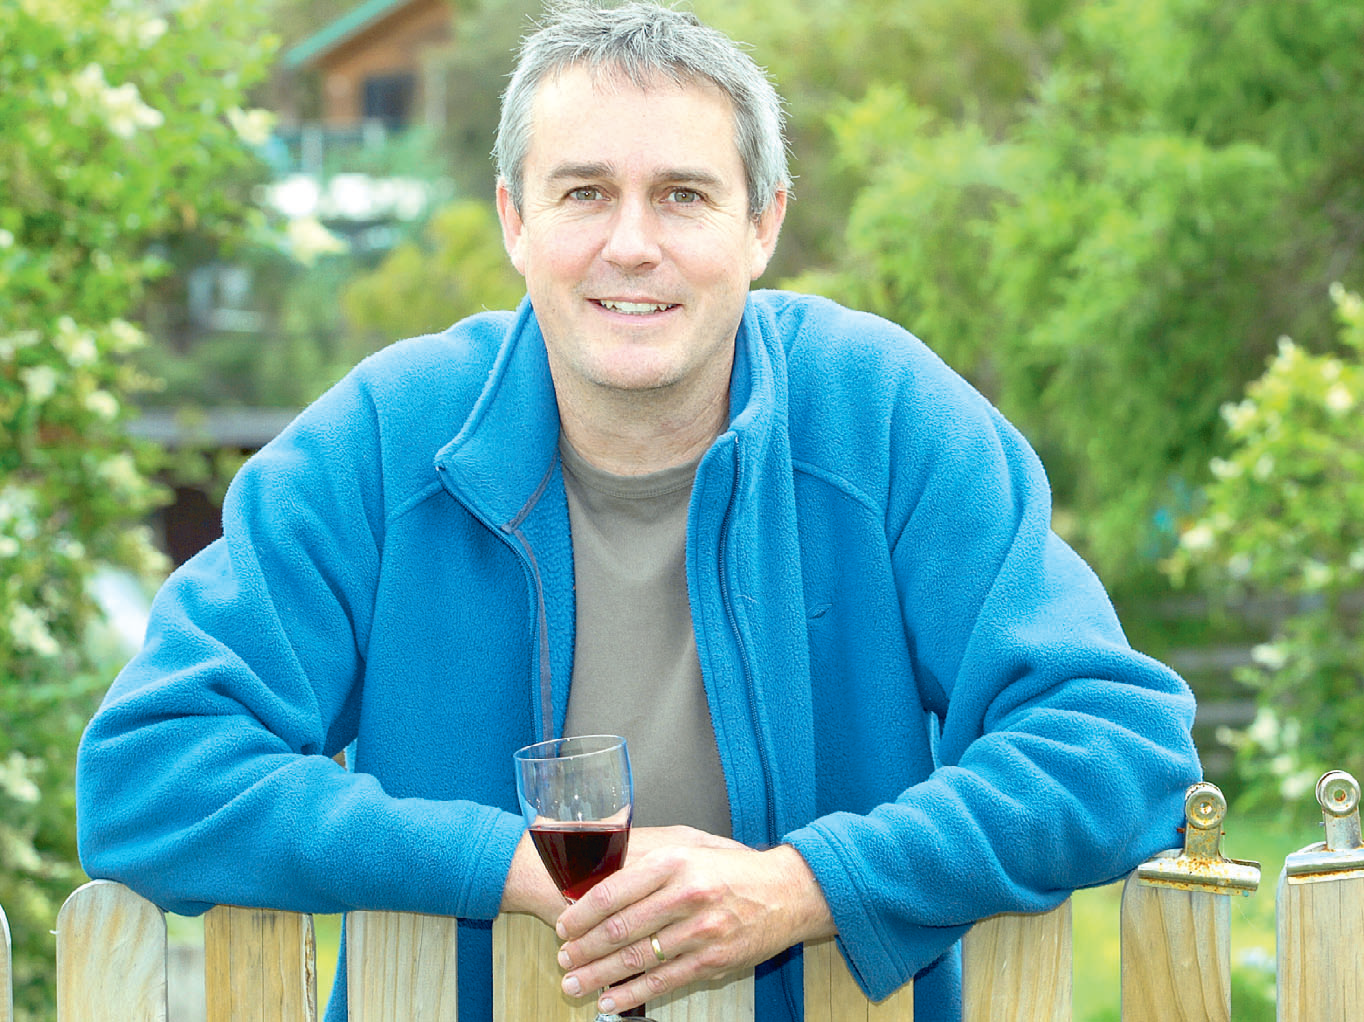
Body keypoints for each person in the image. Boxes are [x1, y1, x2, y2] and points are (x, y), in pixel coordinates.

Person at [75, 2, 1203, 1020]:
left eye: (682, 195)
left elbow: (1120, 744)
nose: (630, 244)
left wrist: (803, 885)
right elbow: (149, 771)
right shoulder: (384, 439)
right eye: (583, 193)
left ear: (762, 223)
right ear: (514, 220)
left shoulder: (881, 414)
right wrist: (512, 865)